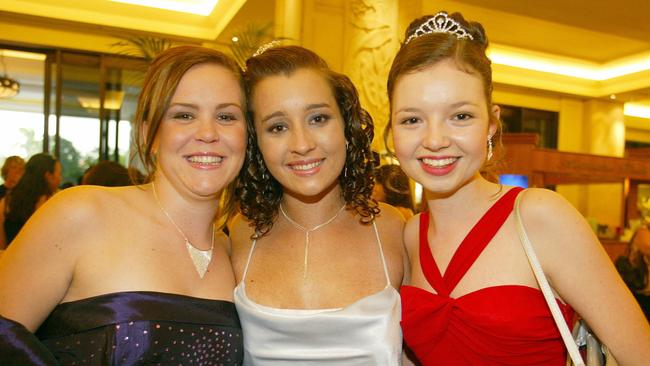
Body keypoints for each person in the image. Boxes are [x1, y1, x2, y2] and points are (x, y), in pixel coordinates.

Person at [387, 11, 650, 365]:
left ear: (492, 123)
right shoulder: (408, 236)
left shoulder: (539, 215)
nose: (435, 140)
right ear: (392, 129)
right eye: (412, 119)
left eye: (460, 116)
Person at [0, 45, 247, 365]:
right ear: (149, 135)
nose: (208, 133)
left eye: (226, 116)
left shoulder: (235, 253)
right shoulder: (82, 213)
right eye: (184, 115)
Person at [230, 45, 406, 365]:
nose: (302, 144)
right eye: (278, 127)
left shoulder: (397, 231)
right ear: (256, 141)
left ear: (346, 125)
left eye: (318, 118)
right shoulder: (235, 237)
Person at [0, 153, 61, 249]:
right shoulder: (52, 203)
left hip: (10, 260)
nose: (60, 179)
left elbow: (1, 244)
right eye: (59, 173)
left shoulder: (6, 202)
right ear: (48, 176)